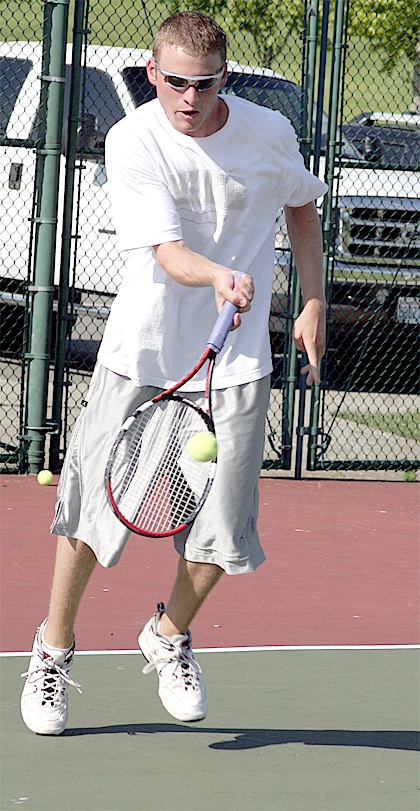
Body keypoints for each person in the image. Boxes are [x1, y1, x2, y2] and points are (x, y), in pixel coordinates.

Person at [21, 11, 327, 735]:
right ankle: (53, 650)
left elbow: (302, 207)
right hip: (143, 354)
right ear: (153, 74)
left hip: (238, 361)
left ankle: (167, 634)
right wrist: (220, 274)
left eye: (206, 83)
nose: (189, 98)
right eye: (177, 82)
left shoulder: (267, 134)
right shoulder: (135, 139)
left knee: (222, 531)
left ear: (226, 77)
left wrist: (312, 300)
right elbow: (165, 252)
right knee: (92, 516)